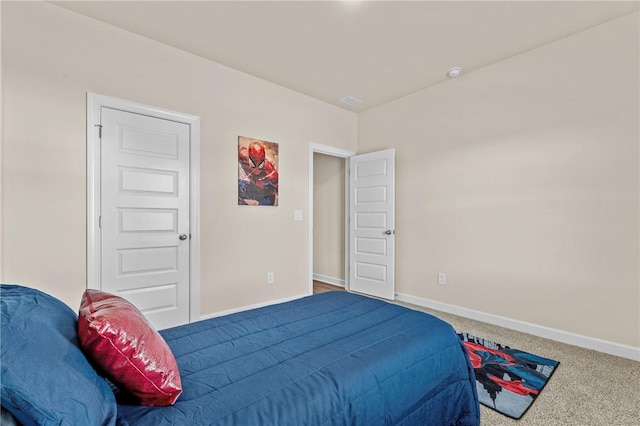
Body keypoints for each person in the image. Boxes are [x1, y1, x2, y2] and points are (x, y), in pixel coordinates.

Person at [238, 140, 278, 206]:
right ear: (249, 157)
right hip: (253, 188)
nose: (257, 169)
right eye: (253, 163)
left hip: (266, 195)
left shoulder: (271, 173)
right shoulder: (242, 156)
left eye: (260, 164)